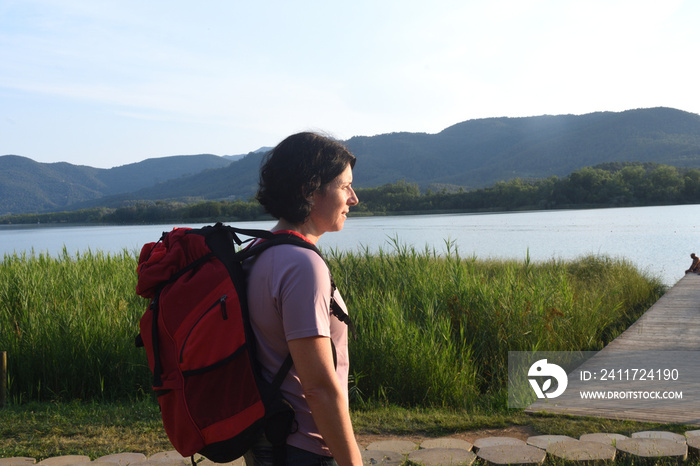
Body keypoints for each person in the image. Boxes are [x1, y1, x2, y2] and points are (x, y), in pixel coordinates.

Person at [244, 132, 362, 466]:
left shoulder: (257, 251)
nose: (353, 198)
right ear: (310, 191)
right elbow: (319, 388)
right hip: (301, 447)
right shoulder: (302, 265)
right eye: (344, 187)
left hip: (269, 439)